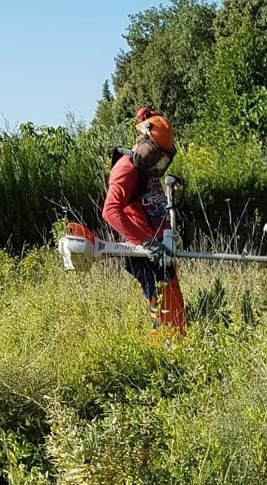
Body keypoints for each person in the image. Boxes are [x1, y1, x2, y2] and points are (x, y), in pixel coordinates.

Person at [102, 112, 186, 336]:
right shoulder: (126, 169)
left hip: (161, 248)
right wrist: (147, 242)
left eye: (160, 157)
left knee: (173, 303)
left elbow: (152, 204)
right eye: (153, 153)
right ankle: (162, 349)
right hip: (144, 252)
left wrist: (171, 232)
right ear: (141, 141)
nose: (155, 161)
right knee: (160, 307)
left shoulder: (146, 168)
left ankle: (179, 344)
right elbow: (110, 211)